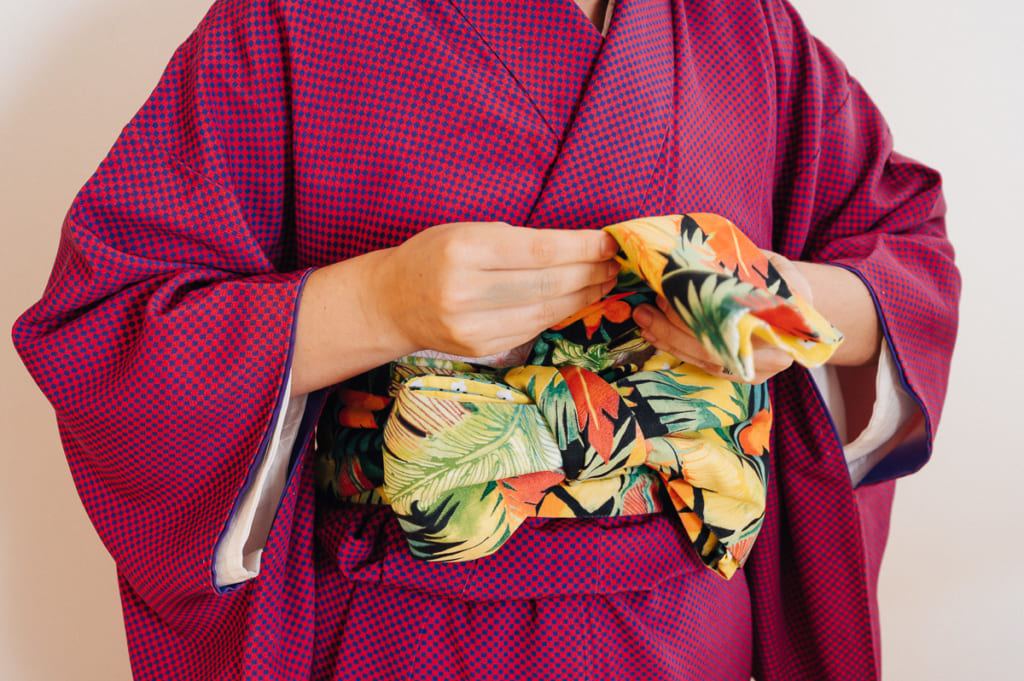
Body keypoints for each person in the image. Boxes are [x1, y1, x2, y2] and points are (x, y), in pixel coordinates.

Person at [12, 0, 959, 679]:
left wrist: (785, 300)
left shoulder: (741, 26)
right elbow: (104, 323)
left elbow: (902, 244)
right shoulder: (293, 20)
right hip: (404, 628)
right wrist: (376, 304)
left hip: (686, 628)